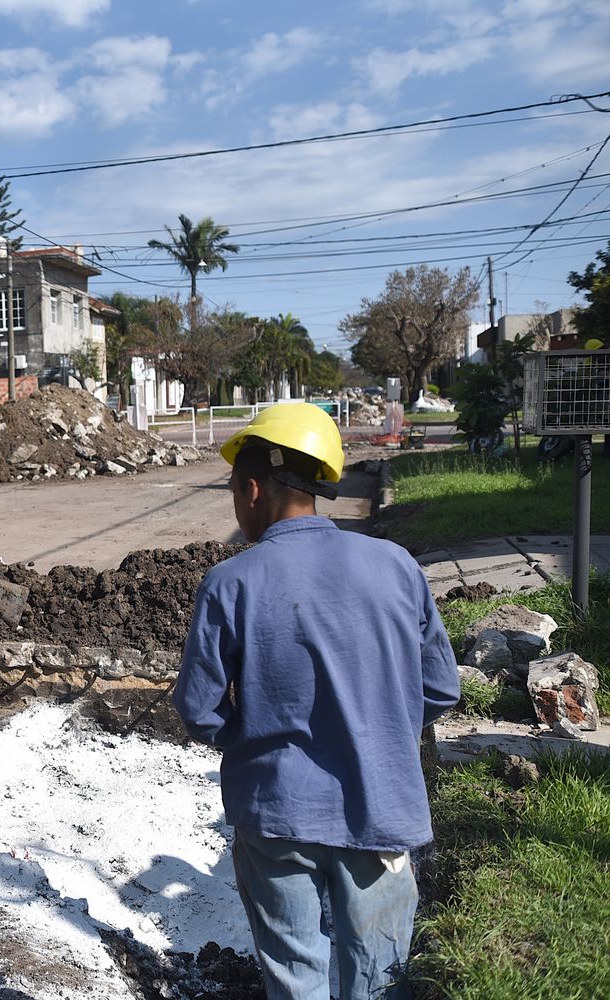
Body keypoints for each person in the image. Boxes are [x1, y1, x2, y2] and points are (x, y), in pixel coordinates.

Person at [173, 402, 458, 1000]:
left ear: (252, 489)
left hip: (277, 813)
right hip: (382, 811)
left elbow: (199, 710)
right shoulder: (398, 566)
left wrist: (252, 740)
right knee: (381, 979)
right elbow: (440, 688)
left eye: (232, 490)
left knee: (294, 977)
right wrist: (382, 730)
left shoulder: (230, 583)